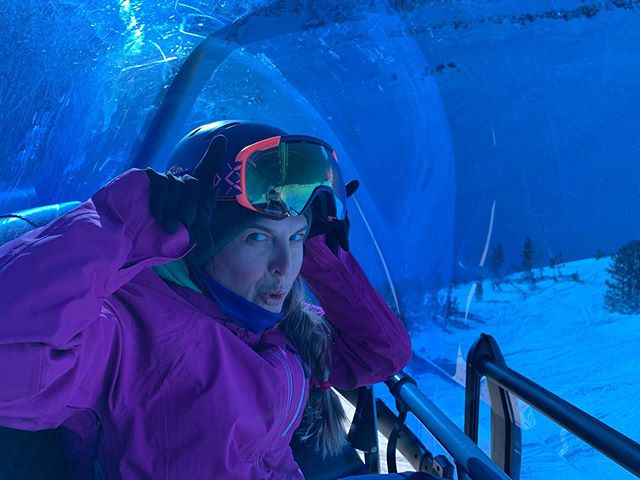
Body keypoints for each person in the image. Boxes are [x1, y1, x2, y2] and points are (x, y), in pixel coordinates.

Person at [0, 120, 434, 479]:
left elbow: (381, 351)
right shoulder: (123, 328)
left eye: (296, 239)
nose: (286, 266)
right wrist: (128, 222)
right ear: (199, 238)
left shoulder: (271, 324)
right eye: (257, 236)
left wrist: (320, 247)